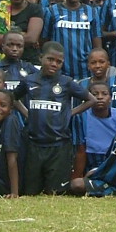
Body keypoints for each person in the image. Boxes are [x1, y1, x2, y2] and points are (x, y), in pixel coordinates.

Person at [13, 42, 96, 195]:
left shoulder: (67, 82)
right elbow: (13, 98)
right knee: (31, 192)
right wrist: (26, 113)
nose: (54, 64)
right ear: (40, 58)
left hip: (59, 146)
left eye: (59, 62)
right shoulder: (29, 81)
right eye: (50, 59)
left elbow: (91, 100)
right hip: (33, 144)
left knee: (56, 193)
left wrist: (70, 113)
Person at [42, 0, 103, 79]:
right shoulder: (52, 11)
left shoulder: (92, 12)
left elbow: (97, 45)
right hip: (59, 71)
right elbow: (45, 41)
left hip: (85, 72)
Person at [0, 90, 23, 197]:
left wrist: (14, 192)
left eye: (3, 105)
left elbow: (12, 159)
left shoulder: (11, 121)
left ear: (10, 109)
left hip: (7, 183)